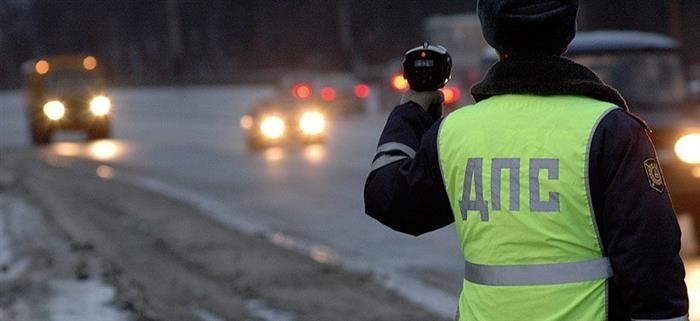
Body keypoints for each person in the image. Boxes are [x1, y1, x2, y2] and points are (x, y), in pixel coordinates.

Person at [363, 0, 689, 320]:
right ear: (568, 33)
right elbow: (651, 265)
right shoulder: (611, 130)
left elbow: (390, 200)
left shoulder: (453, 132)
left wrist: (412, 110)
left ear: (491, 35)